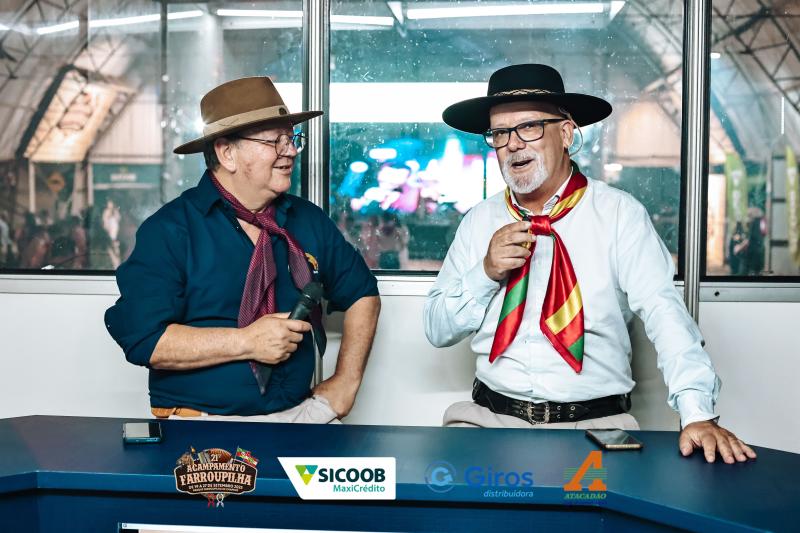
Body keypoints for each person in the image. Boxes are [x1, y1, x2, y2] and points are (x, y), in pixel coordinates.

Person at [424, 64, 755, 464]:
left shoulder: (619, 215)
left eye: (528, 127)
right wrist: (485, 273)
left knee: (601, 504)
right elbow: (436, 329)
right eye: (500, 133)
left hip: (599, 424)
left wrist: (697, 414)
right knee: (449, 498)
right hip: (488, 419)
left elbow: (664, 313)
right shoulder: (478, 221)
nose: (512, 145)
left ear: (566, 133)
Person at [105, 77, 380, 423]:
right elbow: (145, 338)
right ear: (227, 153)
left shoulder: (307, 220)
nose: (291, 151)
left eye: (292, 138)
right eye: (275, 141)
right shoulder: (171, 230)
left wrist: (346, 382)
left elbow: (362, 293)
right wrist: (247, 342)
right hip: (203, 425)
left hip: (301, 414)